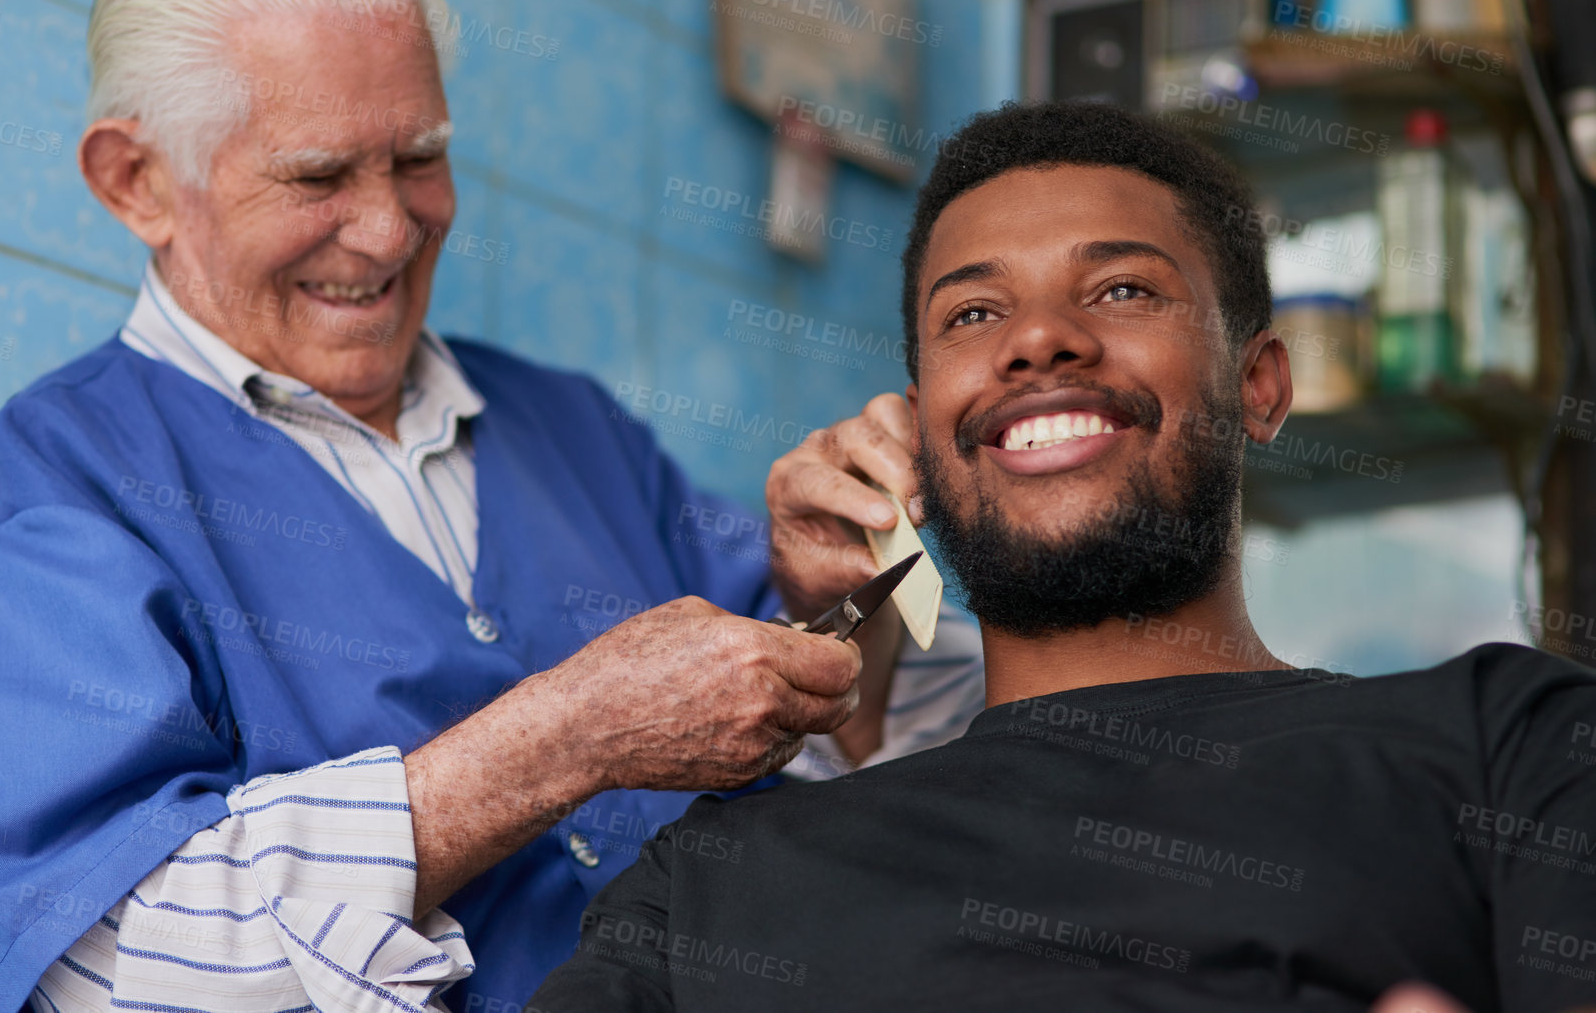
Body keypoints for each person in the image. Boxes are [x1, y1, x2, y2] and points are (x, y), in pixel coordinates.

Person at [0, 0, 984, 1013]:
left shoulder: (573, 430)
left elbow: (842, 770)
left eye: (419, 158)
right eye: (318, 175)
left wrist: (833, 613)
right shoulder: (52, 491)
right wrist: (567, 736)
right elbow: (109, 968)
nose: (387, 227)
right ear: (135, 181)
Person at [530, 100, 1596, 1013]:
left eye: (1122, 290)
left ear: (1260, 386)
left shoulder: (1510, 746)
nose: (1039, 340)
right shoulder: (710, 890)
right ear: (920, 431)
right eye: (976, 312)